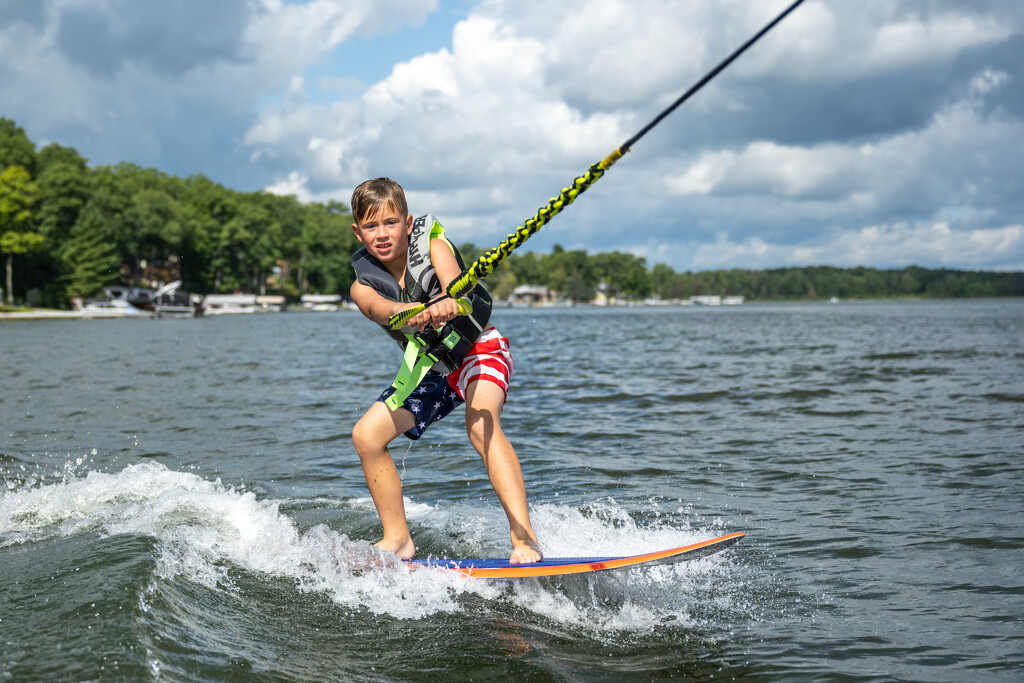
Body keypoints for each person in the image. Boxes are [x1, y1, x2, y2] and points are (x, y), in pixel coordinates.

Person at [347, 177, 543, 564]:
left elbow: (452, 279)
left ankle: (525, 540)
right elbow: (379, 309)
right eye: (371, 226)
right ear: (358, 231)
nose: (382, 234)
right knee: (367, 436)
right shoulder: (361, 284)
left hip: (478, 350)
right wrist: (412, 312)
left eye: (390, 223)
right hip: (434, 370)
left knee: (480, 423)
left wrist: (448, 299)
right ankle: (398, 539)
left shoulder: (433, 244)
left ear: (408, 222)